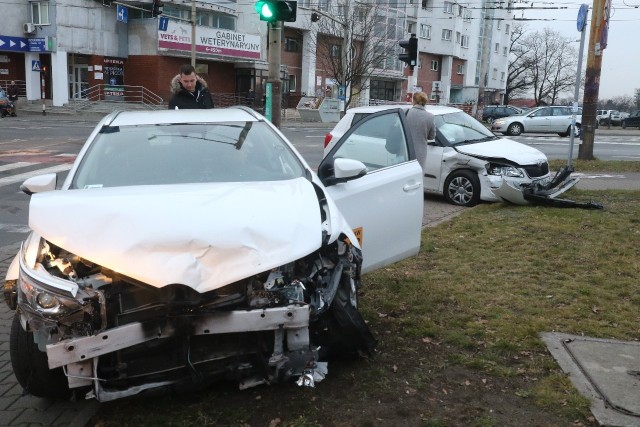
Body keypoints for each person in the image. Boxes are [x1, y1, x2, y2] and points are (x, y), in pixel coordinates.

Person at [405, 91, 436, 173]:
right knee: (417, 177)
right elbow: (432, 136)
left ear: (413, 101)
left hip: (404, 151)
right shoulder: (430, 117)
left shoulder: (405, 113)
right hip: (420, 153)